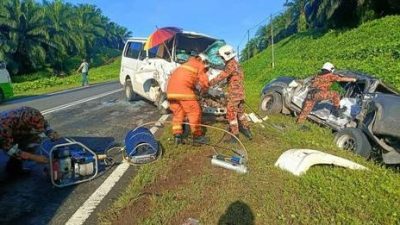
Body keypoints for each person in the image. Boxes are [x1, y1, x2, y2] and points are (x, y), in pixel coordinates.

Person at [209, 45, 252, 143]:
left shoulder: (230, 65)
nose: (221, 59)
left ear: (226, 55)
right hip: (240, 93)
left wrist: (209, 83)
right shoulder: (237, 64)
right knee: (241, 113)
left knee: (231, 114)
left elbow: (221, 76)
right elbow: (232, 78)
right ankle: (247, 131)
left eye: (221, 57)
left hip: (234, 94)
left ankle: (234, 136)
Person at [0, 106, 59, 175]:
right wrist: (34, 157)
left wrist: (50, 132)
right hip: (3, 134)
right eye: (35, 129)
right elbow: (9, 149)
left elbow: (44, 122)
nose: (40, 130)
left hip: (14, 130)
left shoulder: (33, 113)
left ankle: (14, 168)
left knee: (32, 140)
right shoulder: (4, 125)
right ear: (27, 125)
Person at [166, 53, 210, 145]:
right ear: (202, 60)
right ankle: (197, 136)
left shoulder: (186, 64)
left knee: (178, 113)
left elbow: (187, 80)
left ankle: (177, 136)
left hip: (170, 91)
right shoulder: (199, 64)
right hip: (182, 90)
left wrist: (194, 89)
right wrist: (206, 90)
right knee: (195, 111)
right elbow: (204, 81)